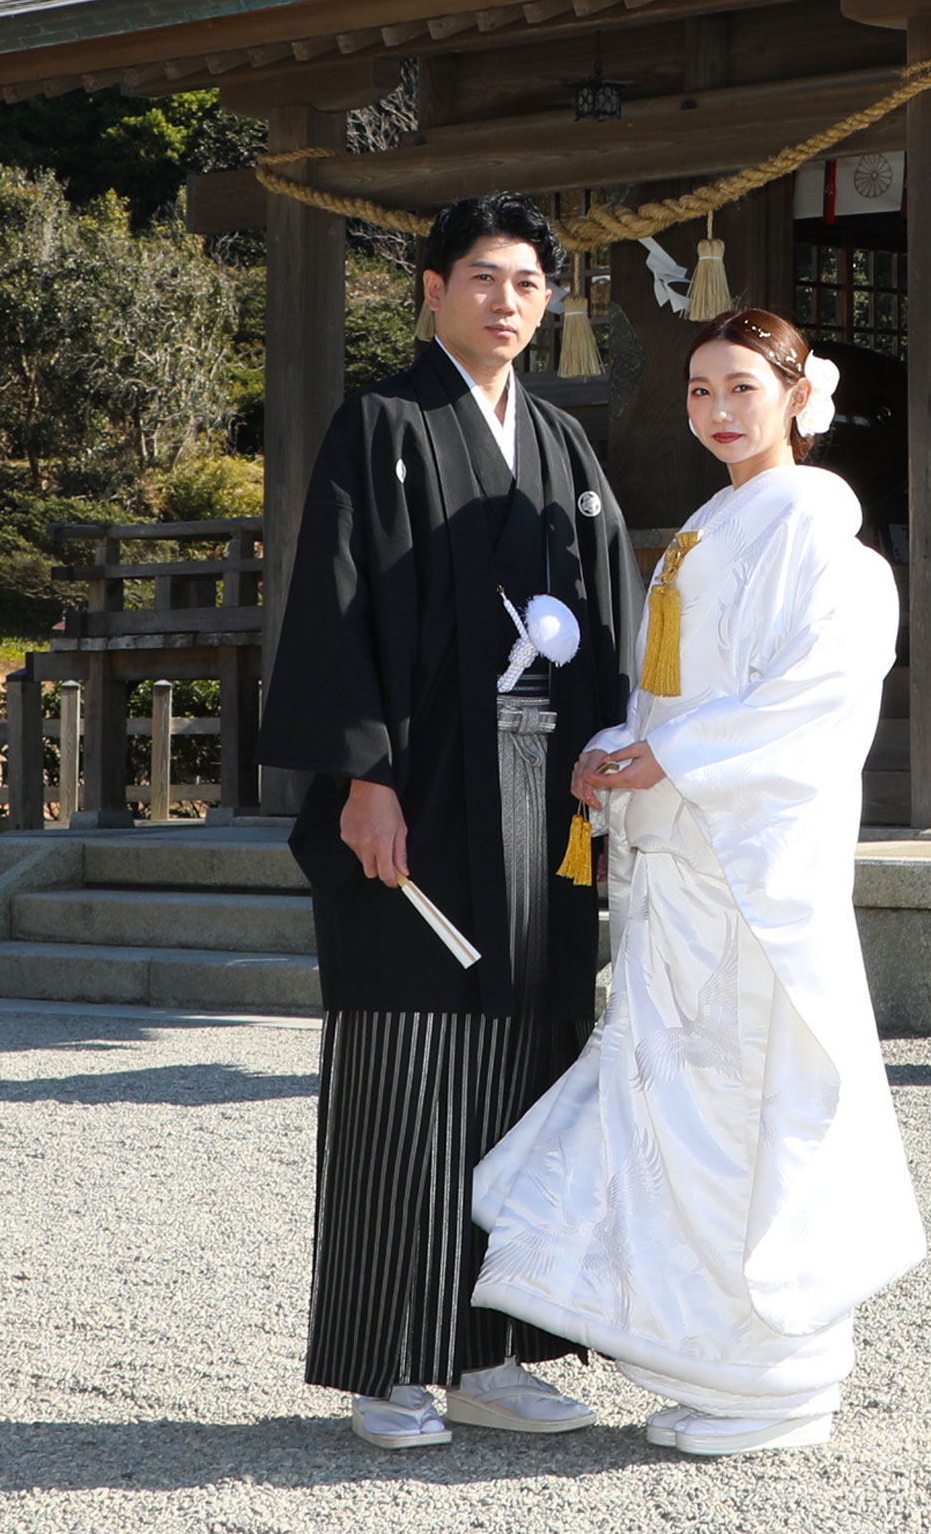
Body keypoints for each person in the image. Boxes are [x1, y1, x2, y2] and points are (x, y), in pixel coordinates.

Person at [470, 307, 924, 1458]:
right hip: (685, 850)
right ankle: (718, 1361)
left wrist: (671, 753)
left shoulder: (816, 531)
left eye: (739, 388)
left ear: (791, 398)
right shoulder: (715, 525)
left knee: (743, 1100)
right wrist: (625, 747)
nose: (718, 410)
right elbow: (678, 690)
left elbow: (813, 695)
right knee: (679, 1097)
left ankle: (779, 1376)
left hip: (748, 864)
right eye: (699, 392)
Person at [256, 191, 638, 1451]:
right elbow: (334, 600)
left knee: (532, 1060)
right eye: (482, 276)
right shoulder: (383, 423)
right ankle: (390, 1358)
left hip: (541, 809)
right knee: (407, 1063)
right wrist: (360, 774)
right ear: (430, 288)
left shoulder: (564, 448)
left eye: (528, 282)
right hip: (417, 796)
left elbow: (611, 618)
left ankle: (501, 1345)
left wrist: (614, 751)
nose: (507, 301)